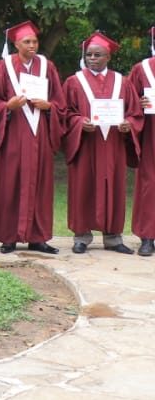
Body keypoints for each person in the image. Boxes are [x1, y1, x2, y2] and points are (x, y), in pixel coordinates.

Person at [0, 20, 63, 254]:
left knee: (40, 184)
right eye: (27, 42)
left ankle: (37, 238)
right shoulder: (3, 67)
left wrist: (49, 106)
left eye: (35, 41)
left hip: (39, 135)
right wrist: (7, 106)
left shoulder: (47, 66)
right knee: (11, 183)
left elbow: (60, 102)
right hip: (14, 135)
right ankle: (9, 237)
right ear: (16, 44)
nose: (32, 45)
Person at [63, 32, 142, 255]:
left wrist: (128, 124)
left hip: (113, 146)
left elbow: (135, 114)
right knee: (82, 188)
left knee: (114, 188)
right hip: (86, 145)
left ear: (108, 57)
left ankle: (113, 238)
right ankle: (81, 236)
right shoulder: (74, 82)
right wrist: (79, 122)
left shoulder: (122, 82)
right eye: (89, 55)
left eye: (98, 55)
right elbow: (66, 113)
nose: (92, 58)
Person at [129, 26, 155, 257]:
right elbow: (128, 101)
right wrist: (140, 103)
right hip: (151, 136)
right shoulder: (142, 69)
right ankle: (147, 237)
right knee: (150, 185)